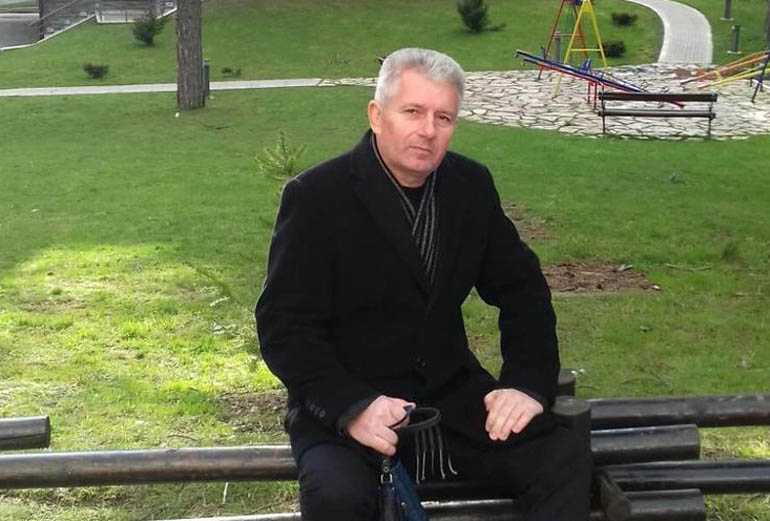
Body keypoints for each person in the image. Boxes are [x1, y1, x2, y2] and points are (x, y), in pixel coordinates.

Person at [255, 48, 592, 520]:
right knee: (337, 497)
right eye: (412, 112)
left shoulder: (469, 187)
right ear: (377, 115)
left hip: (451, 400)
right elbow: (284, 325)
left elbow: (523, 289)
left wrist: (525, 383)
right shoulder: (316, 197)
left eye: (443, 117)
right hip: (348, 407)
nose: (428, 130)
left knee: (560, 456)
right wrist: (351, 406)